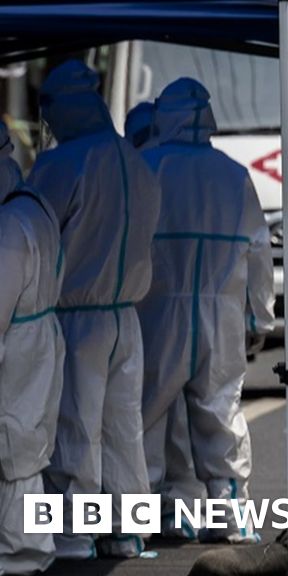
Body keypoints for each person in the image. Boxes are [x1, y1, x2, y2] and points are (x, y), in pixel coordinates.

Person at [30, 59, 161, 559]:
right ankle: (127, 531)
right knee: (122, 427)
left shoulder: (62, 164)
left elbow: (33, 232)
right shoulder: (135, 162)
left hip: (75, 316)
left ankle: (74, 534)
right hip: (125, 316)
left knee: (75, 425)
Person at [138, 77, 273, 543]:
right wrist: (260, 314)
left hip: (157, 310)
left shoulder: (146, 166)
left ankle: (154, 517)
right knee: (220, 411)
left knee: (149, 414)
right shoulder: (233, 175)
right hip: (221, 312)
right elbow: (259, 248)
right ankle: (233, 518)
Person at [0, 122, 64, 575]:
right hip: (41, 335)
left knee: (14, 445)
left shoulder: (9, 225)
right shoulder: (35, 204)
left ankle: (22, 554)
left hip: (20, 342)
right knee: (28, 442)